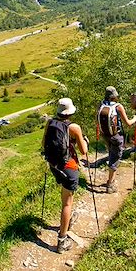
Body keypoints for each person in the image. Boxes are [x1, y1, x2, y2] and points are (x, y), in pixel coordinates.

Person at [42, 97, 88, 253]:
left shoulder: (50, 123)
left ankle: (65, 223)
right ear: (70, 112)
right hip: (69, 167)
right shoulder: (74, 127)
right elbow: (84, 151)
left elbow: (43, 144)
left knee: (65, 198)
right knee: (67, 204)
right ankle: (62, 240)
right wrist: (84, 141)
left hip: (55, 166)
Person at [97, 86, 136, 192]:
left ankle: (111, 178)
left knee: (111, 153)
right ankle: (110, 184)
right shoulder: (118, 107)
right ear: (114, 96)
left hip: (105, 134)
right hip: (116, 135)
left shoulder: (101, 104)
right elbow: (128, 124)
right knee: (115, 157)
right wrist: (135, 118)